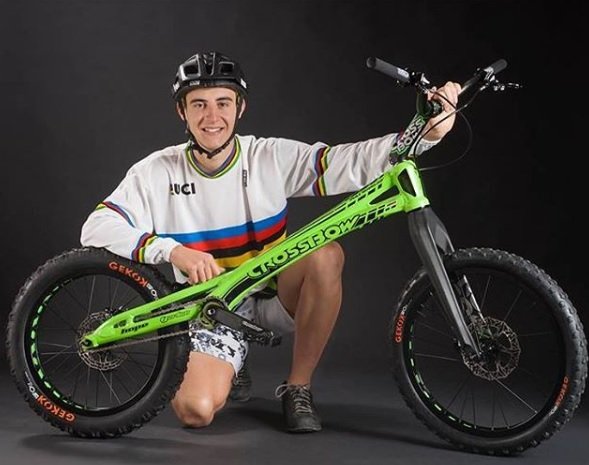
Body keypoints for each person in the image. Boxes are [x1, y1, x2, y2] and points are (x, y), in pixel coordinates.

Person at [80, 51, 460, 433]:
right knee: (195, 411)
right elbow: (97, 226)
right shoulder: (156, 171)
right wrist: (172, 250)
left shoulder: (268, 157)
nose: (212, 117)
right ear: (182, 112)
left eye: (223, 103)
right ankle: (233, 360)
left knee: (326, 255)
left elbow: (346, 162)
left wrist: (427, 133)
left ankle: (298, 387)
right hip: (212, 307)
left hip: (275, 294)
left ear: (240, 108)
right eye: (199, 104)